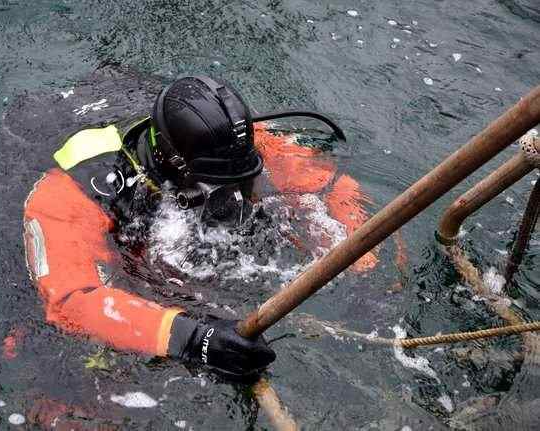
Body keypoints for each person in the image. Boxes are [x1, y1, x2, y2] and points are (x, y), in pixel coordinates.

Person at [21, 75, 378, 380]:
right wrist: (194, 340)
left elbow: (329, 184)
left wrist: (368, 271)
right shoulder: (74, 190)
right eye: (216, 184)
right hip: (58, 154)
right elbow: (70, 302)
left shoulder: (227, 138)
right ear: (175, 166)